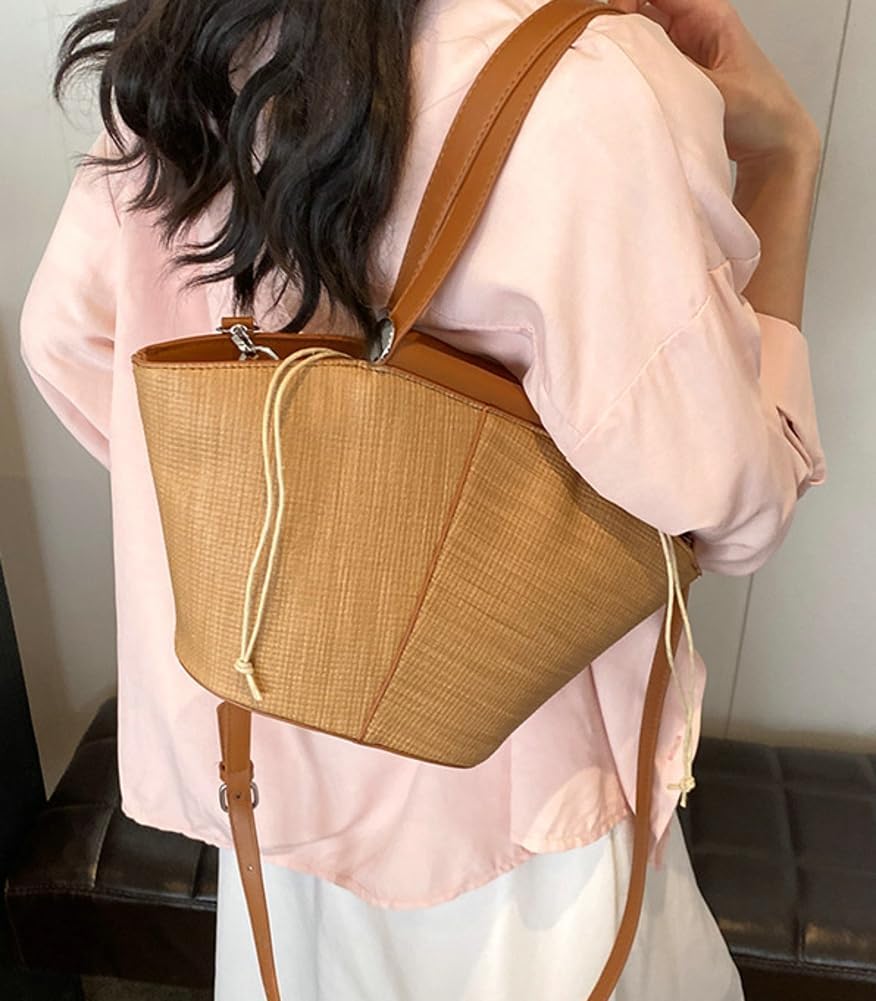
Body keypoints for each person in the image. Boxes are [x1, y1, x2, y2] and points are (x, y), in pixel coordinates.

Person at [20, 0, 826, 997]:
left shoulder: (199, 35)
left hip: (271, 751)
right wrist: (785, 161)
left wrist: (276, 534)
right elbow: (731, 510)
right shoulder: (591, 92)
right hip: (520, 815)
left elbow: (65, 339)